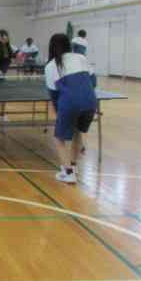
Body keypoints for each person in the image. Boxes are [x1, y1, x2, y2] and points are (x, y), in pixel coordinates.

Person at [45, 33, 97, 184]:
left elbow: (54, 94)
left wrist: (58, 111)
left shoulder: (50, 66)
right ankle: (73, 167)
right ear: (69, 45)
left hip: (70, 103)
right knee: (78, 132)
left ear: (51, 47)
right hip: (90, 102)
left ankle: (68, 173)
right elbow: (93, 82)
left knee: (59, 139)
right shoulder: (81, 57)